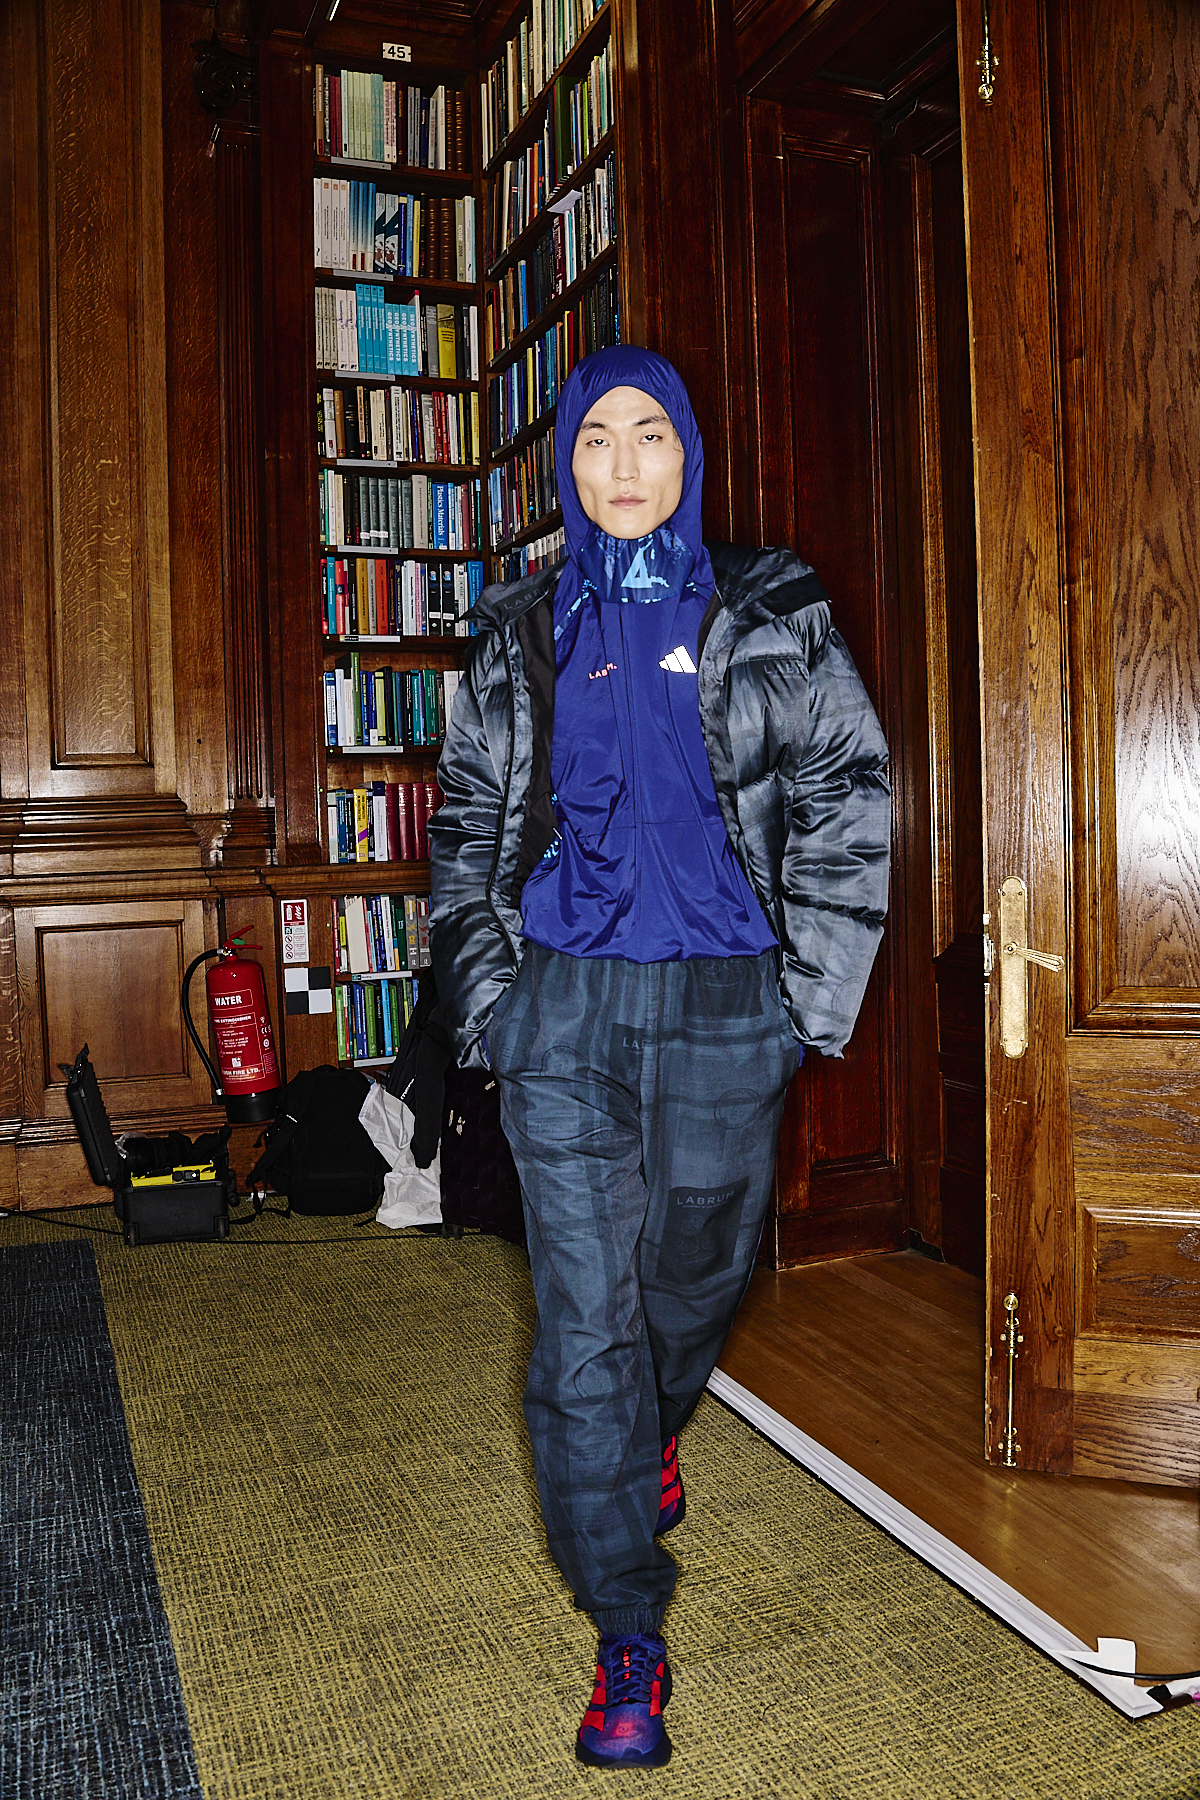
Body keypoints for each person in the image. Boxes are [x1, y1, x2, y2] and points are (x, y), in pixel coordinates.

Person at [429, 345, 890, 1768]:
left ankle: (653, 1428)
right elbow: (468, 824)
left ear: (686, 455)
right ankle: (628, 1627)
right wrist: (494, 1006)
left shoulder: (772, 608)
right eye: (595, 440)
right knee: (583, 1327)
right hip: (563, 1007)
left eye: (650, 435)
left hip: (727, 1003)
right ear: (566, 467)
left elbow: (846, 789)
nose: (622, 464)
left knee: (692, 1278)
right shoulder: (519, 629)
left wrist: (810, 999)